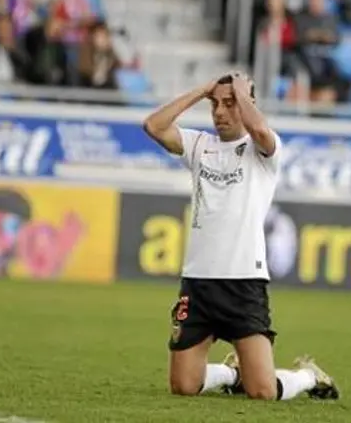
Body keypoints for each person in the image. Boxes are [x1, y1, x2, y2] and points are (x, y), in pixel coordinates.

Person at [142, 73, 339, 402]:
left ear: (247, 104)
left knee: (261, 391)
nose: (219, 111)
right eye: (215, 104)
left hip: (243, 282)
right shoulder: (199, 145)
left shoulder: (262, 150)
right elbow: (154, 126)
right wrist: (201, 91)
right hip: (198, 282)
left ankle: (307, 376)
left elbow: (259, 129)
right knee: (183, 386)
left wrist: (243, 94)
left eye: (229, 104)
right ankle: (232, 373)